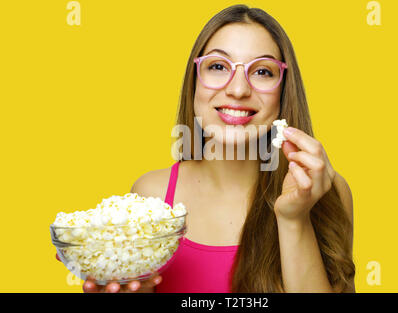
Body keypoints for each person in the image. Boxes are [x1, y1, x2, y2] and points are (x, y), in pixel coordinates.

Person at [60, 4, 355, 293]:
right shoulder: (152, 196)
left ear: (284, 90)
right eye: (217, 66)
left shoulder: (324, 192)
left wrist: (294, 219)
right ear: (194, 83)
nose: (238, 89)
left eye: (262, 72)